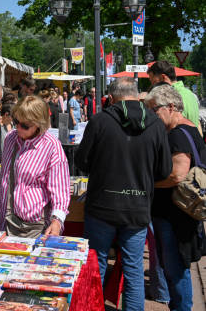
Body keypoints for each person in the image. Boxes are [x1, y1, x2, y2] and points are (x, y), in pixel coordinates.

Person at [75, 78, 172, 311]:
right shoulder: (156, 124)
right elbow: (164, 170)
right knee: (133, 269)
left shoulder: (99, 121)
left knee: (96, 266)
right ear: (137, 95)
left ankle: (94, 307)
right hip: (137, 206)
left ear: (112, 97)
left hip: (102, 205)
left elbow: (82, 162)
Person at [144, 85, 205, 311]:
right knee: (175, 269)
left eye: (154, 110)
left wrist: (148, 184)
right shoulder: (190, 128)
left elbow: (177, 175)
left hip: (174, 216)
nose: (151, 115)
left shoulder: (178, 133)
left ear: (171, 107)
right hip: (177, 214)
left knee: (175, 270)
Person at [0, 96, 70, 237]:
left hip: (36, 226)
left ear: (39, 124)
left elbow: (60, 191)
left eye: (25, 125)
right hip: (7, 220)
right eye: (16, 121)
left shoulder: (51, 146)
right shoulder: (11, 138)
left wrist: (57, 221)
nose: (18, 127)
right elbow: (6, 181)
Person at [147, 60, 202, 135]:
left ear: (163, 77)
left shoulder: (169, 96)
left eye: (153, 82)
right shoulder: (190, 94)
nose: (152, 86)